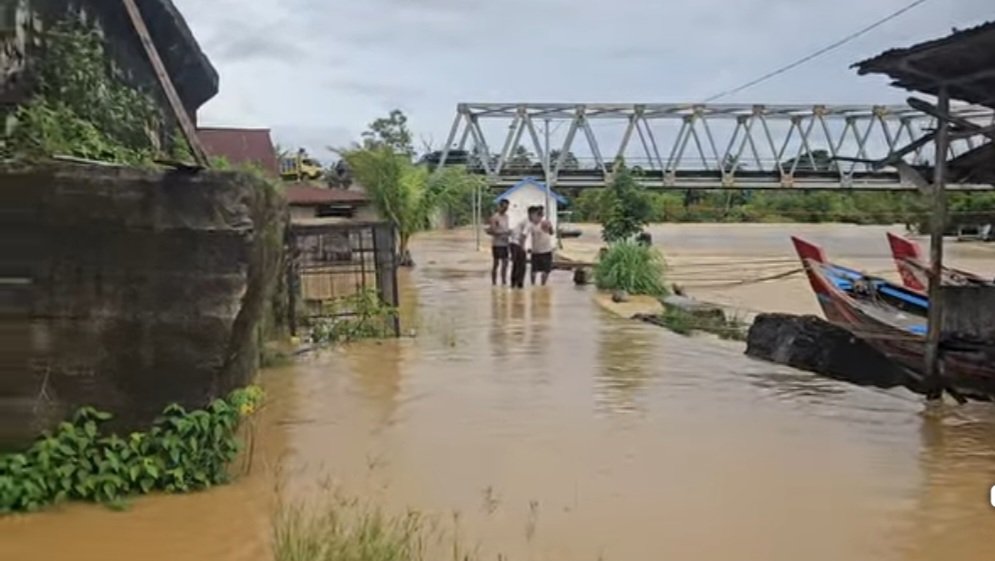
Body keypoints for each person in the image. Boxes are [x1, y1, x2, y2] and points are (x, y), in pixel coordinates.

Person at [487, 198, 511, 286]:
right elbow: (492, 231)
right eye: (504, 207)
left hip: (505, 243)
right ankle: (494, 282)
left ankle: (504, 281)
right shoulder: (495, 217)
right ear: (500, 207)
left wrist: (508, 233)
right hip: (497, 244)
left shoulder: (507, 217)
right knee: (496, 263)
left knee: (505, 263)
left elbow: (506, 228)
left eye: (507, 208)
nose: (505, 209)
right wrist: (504, 233)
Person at [529, 206, 555, 286]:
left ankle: (537, 286)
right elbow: (551, 232)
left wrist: (549, 226)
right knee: (539, 270)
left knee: (540, 270)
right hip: (541, 251)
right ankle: (539, 286)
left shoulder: (538, 224)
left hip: (542, 250)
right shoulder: (533, 225)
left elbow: (551, 232)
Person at [508, 207, 533, 289]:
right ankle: (519, 283)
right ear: (531, 214)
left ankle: (514, 283)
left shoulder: (525, 221)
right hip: (517, 244)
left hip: (513, 243)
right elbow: (523, 236)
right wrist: (523, 248)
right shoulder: (528, 222)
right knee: (521, 265)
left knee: (516, 264)